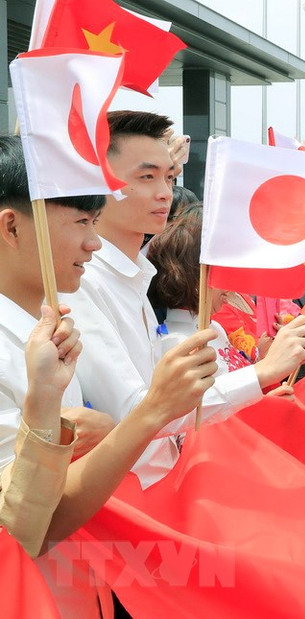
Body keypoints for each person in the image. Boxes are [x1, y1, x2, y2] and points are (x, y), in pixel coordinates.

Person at [0, 134, 219, 615]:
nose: (92, 242)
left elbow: (59, 508)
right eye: (81, 221)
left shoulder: (45, 328)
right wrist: (150, 412)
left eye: (94, 221)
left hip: (76, 581)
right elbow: (24, 525)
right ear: (12, 228)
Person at [63, 111, 305, 491]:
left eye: (169, 177)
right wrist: (260, 374)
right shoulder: (83, 281)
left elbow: (159, 406)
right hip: (131, 497)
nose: (164, 192)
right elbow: (138, 410)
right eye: (146, 177)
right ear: (98, 183)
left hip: (168, 482)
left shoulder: (133, 277)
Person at [145, 204, 305, 394]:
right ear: (195, 280)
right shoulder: (179, 344)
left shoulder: (212, 329)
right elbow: (205, 413)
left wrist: (263, 359)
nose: (229, 285)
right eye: (221, 274)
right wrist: (266, 369)